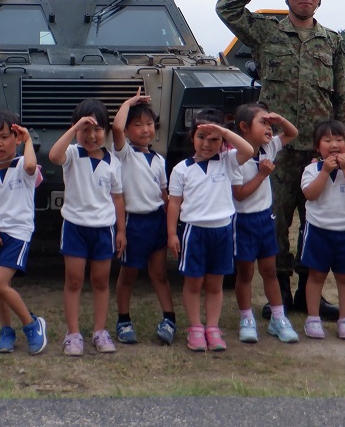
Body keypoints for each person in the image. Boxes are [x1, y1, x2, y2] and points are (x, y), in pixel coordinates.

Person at [216, 0, 345, 320]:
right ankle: (278, 292)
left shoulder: (333, 43)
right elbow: (226, 8)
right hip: (273, 152)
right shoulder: (267, 33)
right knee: (274, 222)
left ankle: (311, 294)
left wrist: (344, 146)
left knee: (317, 222)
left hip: (318, 152)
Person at [167, 110, 253, 352]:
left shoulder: (228, 161)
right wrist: (172, 234)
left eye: (214, 139)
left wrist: (224, 131)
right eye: (201, 137)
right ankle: (195, 328)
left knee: (215, 284)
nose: (206, 144)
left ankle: (212, 328)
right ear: (192, 137)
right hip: (194, 232)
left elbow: (248, 151)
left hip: (222, 232)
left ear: (223, 142)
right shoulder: (181, 169)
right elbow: (174, 203)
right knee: (193, 283)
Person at [49, 99, 126, 357]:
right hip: (75, 227)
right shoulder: (72, 154)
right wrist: (74, 129)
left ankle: (99, 331)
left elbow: (117, 199)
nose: (92, 136)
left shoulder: (113, 162)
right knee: (73, 280)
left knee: (101, 281)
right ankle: (73, 334)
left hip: (104, 229)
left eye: (97, 129)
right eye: (85, 129)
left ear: (106, 130)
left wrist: (121, 232)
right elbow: (53, 155)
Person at [0, 111, 48, 355]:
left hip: (18, 233)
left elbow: (30, 165)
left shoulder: (24, 166)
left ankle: (32, 324)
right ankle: (6, 330)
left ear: (16, 139)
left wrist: (28, 140)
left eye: (5, 137)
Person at [231, 103, 299, 344]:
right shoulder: (236, 158)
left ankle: (278, 318)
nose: (270, 129)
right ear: (244, 127)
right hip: (243, 221)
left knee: (269, 269)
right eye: (263, 123)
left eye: (271, 124)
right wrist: (261, 175)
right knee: (246, 272)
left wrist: (279, 118)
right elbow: (239, 194)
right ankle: (246, 317)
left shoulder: (269, 147)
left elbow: (292, 134)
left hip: (265, 218)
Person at [111, 90, 176, 346]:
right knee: (128, 275)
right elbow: (116, 127)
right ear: (127, 132)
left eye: (149, 124)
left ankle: (169, 319)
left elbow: (165, 194)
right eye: (137, 125)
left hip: (156, 222)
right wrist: (128, 102)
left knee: (159, 273)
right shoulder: (124, 154)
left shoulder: (159, 159)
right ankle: (123, 320)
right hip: (132, 223)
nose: (145, 129)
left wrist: (172, 226)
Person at [299, 120, 345, 341]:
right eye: (327, 140)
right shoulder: (311, 169)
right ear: (317, 146)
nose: (334, 144)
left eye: (339, 140)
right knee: (316, 275)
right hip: (318, 231)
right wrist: (325, 172)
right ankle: (312, 318)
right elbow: (310, 194)